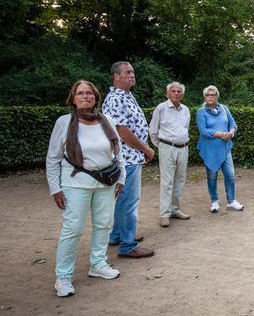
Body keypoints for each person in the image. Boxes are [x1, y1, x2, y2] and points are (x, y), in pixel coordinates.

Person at [46, 80, 127, 297]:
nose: (85, 97)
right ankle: (63, 276)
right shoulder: (64, 123)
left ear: (96, 97)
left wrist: (122, 179)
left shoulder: (106, 120)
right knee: (72, 229)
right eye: (80, 93)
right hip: (75, 184)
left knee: (103, 224)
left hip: (106, 182)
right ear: (73, 98)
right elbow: (52, 159)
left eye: (89, 93)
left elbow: (118, 153)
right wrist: (55, 188)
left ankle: (98, 264)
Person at [102, 61, 155, 259]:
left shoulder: (126, 95)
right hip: (127, 157)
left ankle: (118, 235)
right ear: (116, 76)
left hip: (132, 156)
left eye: (133, 71)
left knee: (123, 200)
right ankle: (127, 245)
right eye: (128, 72)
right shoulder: (115, 98)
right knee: (128, 201)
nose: (132, 75)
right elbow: (121, 131)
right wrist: (145, 148)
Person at [149, 82, 191, 228]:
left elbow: (185, 128)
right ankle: (164, 214)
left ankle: (175, 209)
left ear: (182, 94)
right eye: (173, 91)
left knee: (180, 180)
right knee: (167, 182)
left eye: (179, 91)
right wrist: (161, 146)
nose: (176, 93)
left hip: (183, 148)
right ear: (168, 93)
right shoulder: (161, 108)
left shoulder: (185, 110)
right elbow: (153, 130)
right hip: (167, 147)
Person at [196, 85, 244, 213]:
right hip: (210, 150)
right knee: (212, 177)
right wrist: (220, 134)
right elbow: (203, 130)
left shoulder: (224, 108)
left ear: (217, 96)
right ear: (205, 97)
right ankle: (214, 202)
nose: (211, 97)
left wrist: (231, 133)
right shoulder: (201, 111)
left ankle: (231, 201)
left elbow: (233, 124)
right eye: (208, 95)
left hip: (225, 147)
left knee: (230, 175)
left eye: (213, 95)